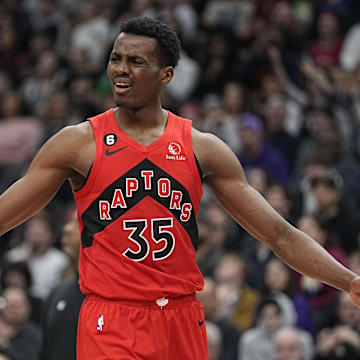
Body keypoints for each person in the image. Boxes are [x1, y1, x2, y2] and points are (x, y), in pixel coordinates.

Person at [0, 16, 359, 360]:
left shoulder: (202, 148)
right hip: (112, 317)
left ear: (166, 75)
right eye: (115, 59)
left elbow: (279, 234)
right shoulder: (78, 143)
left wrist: (348, 281)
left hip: (182, 317)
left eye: (136, 61)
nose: (120, 69)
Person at [40, 208, 85, 360]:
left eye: (75, 222)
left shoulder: (110, 294)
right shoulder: (57, 292)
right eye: (67, 223)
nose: (66, 229)